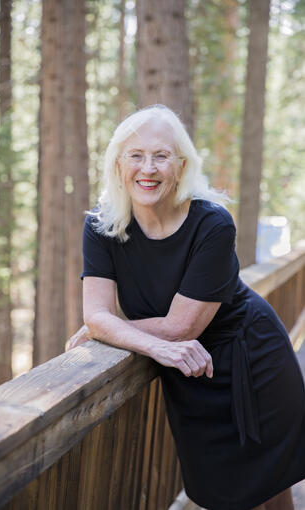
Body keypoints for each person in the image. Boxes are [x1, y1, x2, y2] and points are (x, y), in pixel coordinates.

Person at [67, 104, 305, 510]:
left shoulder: (212, 224)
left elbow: (180, 327)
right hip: (188, 369)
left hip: (250, 358)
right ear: (118, 165)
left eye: (161, 156)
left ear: (180, 166)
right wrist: (102, 326)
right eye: (136, 156)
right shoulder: (100, 227)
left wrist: (103, 330)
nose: (149, 168)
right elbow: (99, 315)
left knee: (272, 485)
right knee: (220, 492)